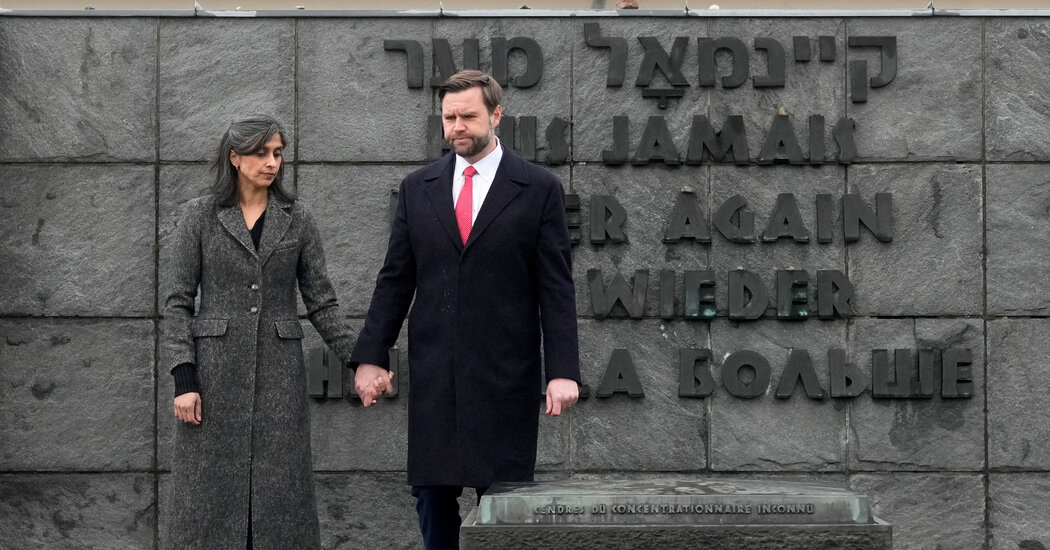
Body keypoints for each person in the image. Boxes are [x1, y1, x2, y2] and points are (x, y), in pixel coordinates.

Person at [350, 70, 580, 550]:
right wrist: (371, 356)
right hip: (436, 375)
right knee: (431, 495)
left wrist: (562, 371)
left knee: (503, 505)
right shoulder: (418, 188)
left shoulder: (538, 188)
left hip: (505, 376)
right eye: (449, 117)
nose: (457, 127)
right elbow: (395, 279)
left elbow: (556, 288)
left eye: (468, 116)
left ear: (496, 115)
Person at [162, 115, 377, 549]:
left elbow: (321, 302)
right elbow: (177, 302)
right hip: (213, 378)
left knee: (280, 496)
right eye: (261, 153)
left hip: (280, 377)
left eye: (278, 153)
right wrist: (184, 379)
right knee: (208, 497)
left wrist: (361, 361)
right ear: (234, 158)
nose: (272, 162)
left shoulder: (297, 218)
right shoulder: (200, 215)